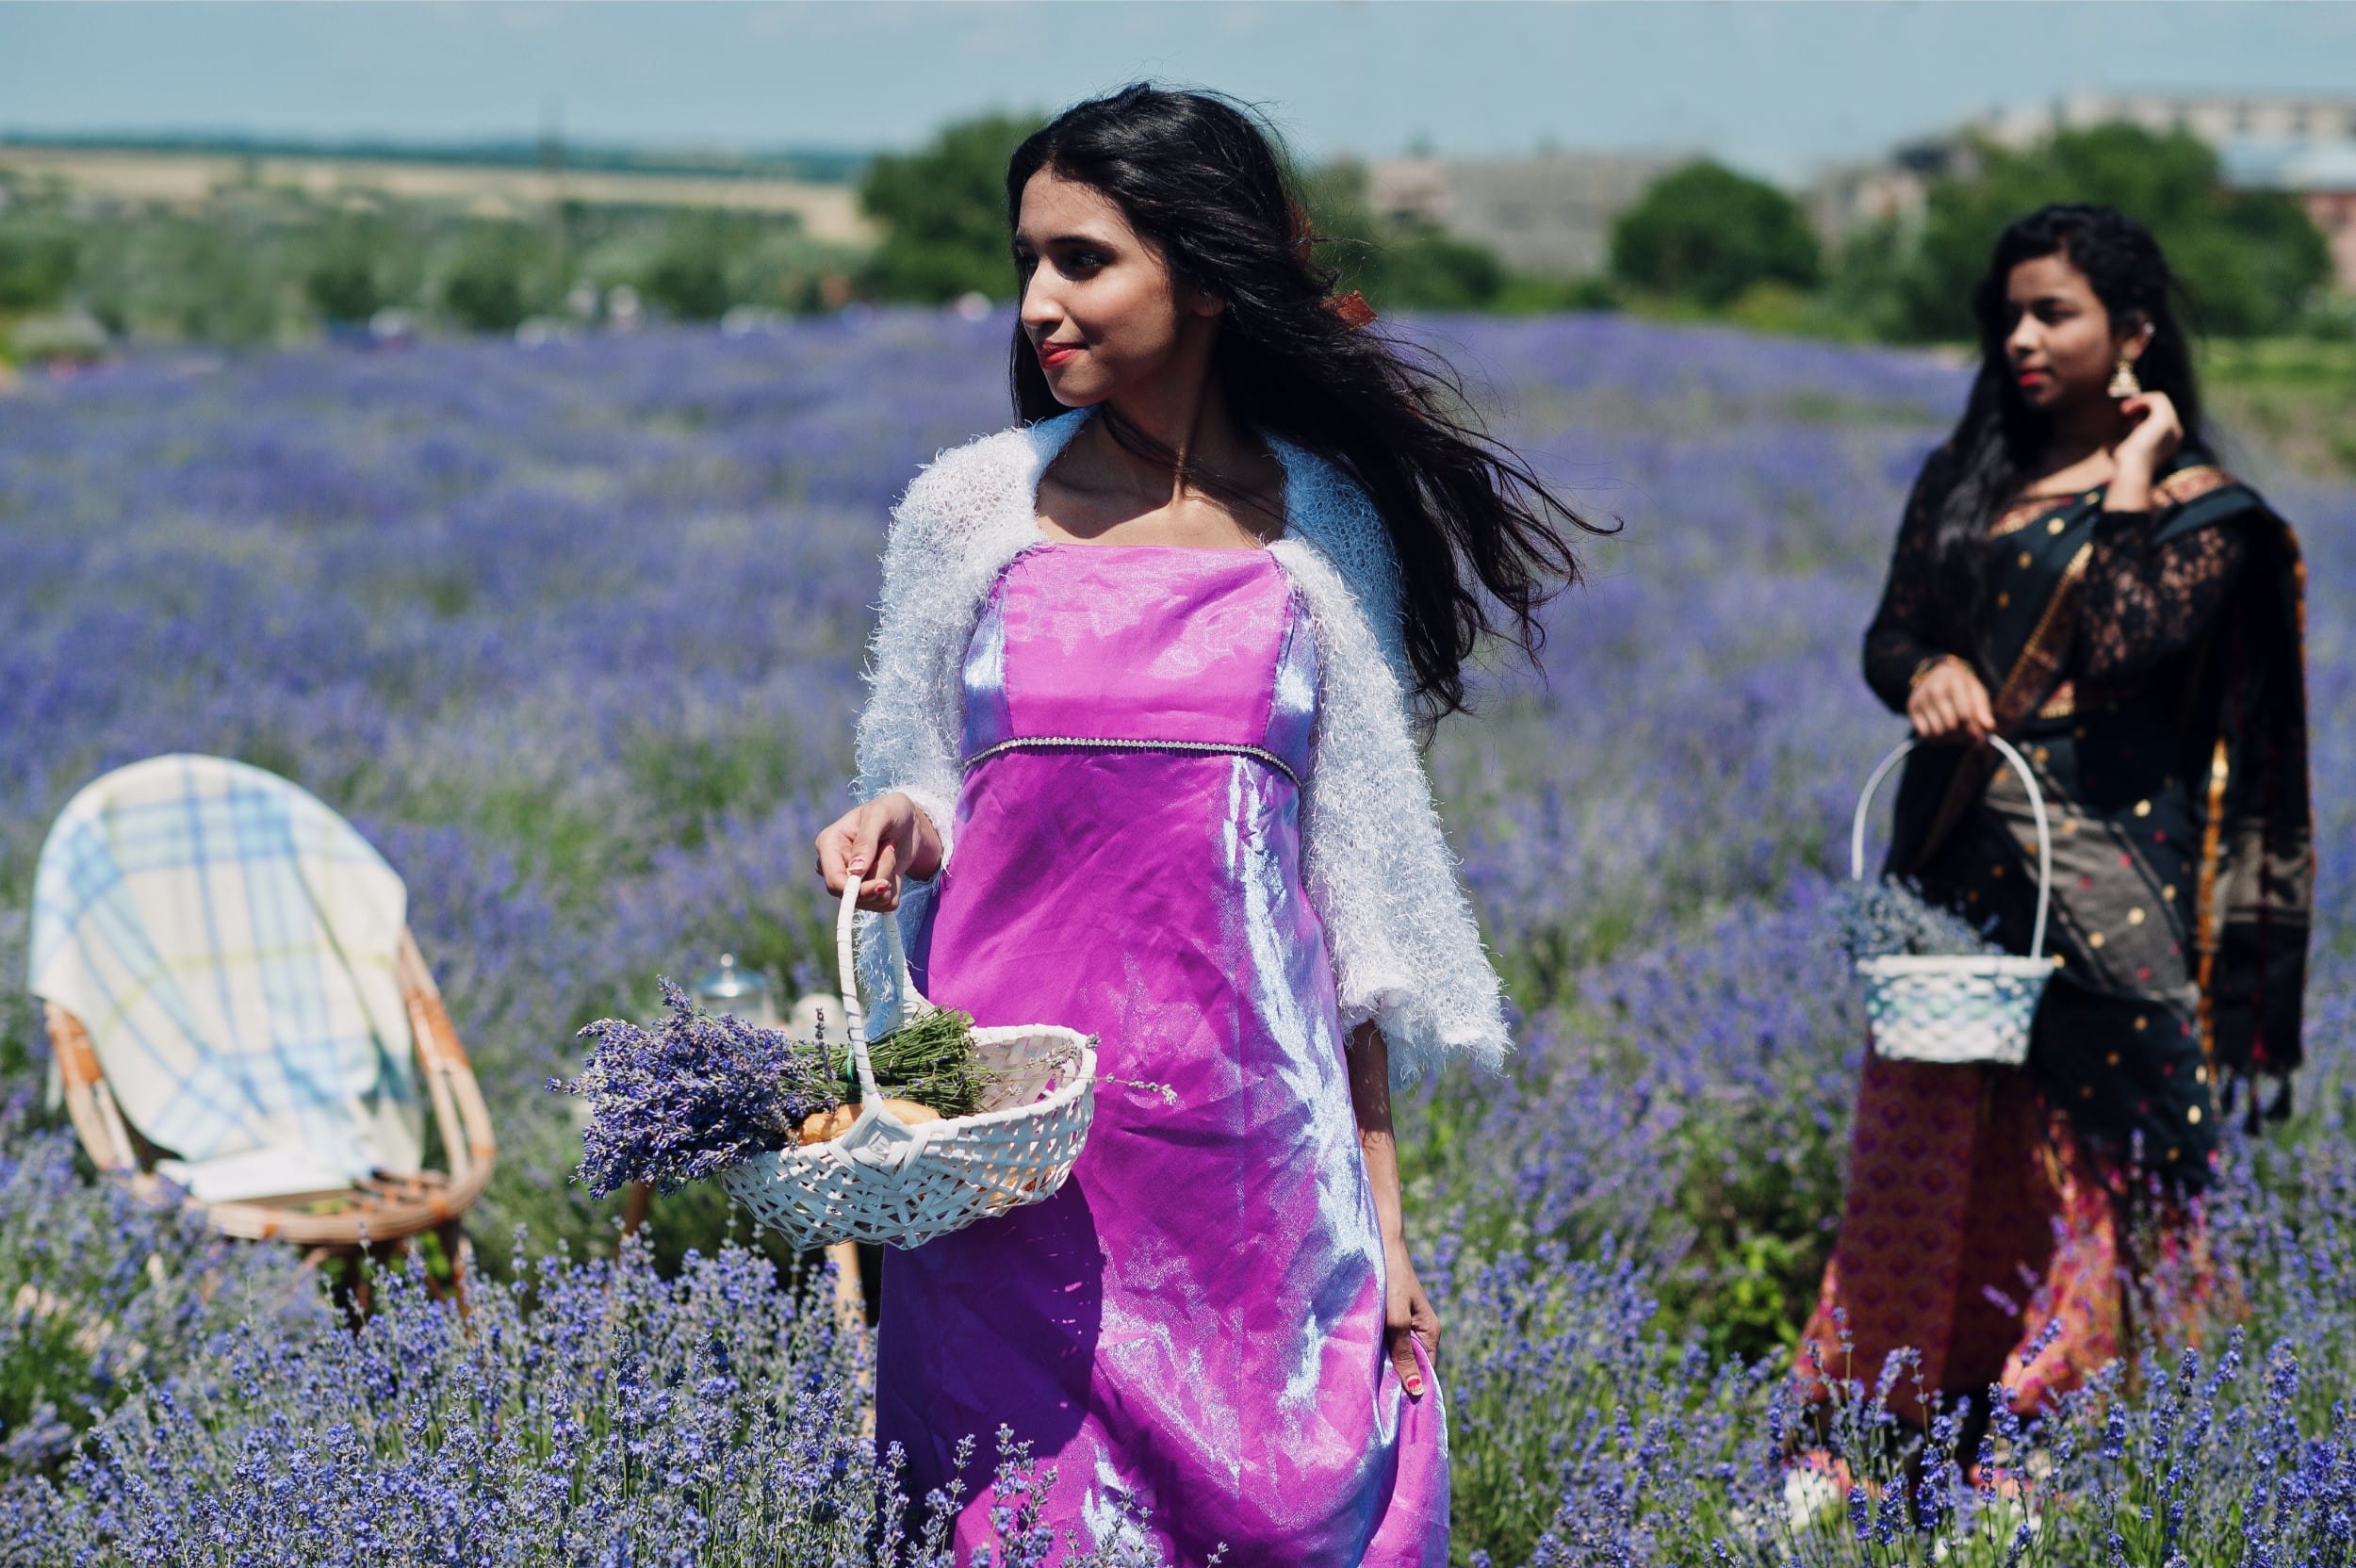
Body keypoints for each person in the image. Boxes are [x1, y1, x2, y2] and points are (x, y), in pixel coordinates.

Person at [812, 85, 1591, 1564]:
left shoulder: (1322, 532)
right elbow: (918, 776)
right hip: (1003, 1159)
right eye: (1029, 259)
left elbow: (1351, 909)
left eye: (1084, 260)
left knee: (1285, 1520)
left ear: (1210, 275)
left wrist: (1388, 1223)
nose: (1039, 301)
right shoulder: (970, 510)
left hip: (1249, 1172)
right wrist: (894, 823)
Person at [1800, 204, 2313, 1426]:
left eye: (2054, 312)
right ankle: (1894, 1408)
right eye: (2011, 313)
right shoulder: (1967, 478)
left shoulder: (2201, 512)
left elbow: (2128, 644)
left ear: (2130, 331)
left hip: (2107, 866)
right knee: (1928, 1146)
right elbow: (1893, 630)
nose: (2022, 336)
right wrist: (1926, 672)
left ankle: (2073, 1427)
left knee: (2107, 1156)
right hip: (1957, 848)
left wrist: (2132, 481)